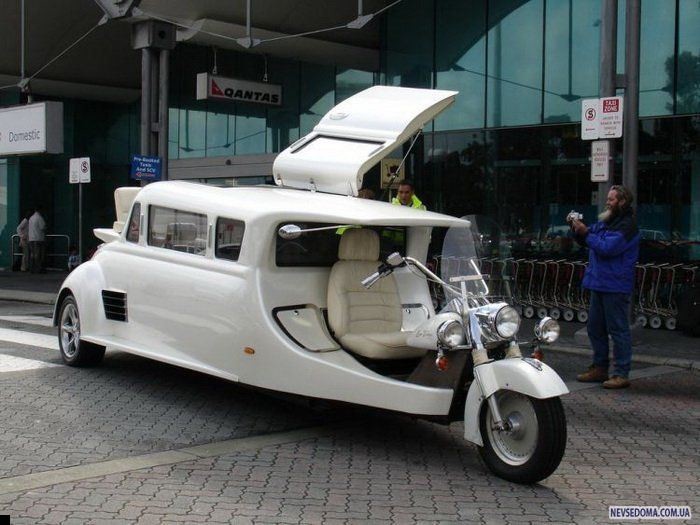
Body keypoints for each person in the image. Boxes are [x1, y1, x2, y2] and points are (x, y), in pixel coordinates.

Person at [571, 185, 640, 389]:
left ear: (622, 202)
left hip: (615, 285)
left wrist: (585, 233)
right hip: (600, 283)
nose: (607, 202)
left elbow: (607, 248)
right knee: (595, 328)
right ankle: (600, 368)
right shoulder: (608, 221)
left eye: (611, 199)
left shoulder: (627, 226)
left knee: (618, 330)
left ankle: (621, 373)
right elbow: (589, 238)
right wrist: (577, 229)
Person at [28, 206, 47, 274]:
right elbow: (43, 227)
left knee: (32, 254)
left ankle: (31, 269)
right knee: (38, 255)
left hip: (31, 238)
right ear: (40, 210)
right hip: (38, 238)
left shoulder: (31, 218)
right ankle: (38, 269)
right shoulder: (39, 218)